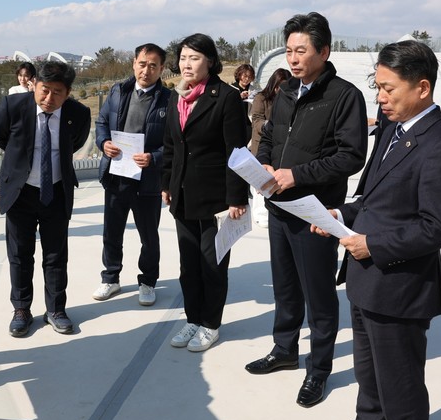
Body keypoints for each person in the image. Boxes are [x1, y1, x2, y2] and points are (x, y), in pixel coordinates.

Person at [314, 40, 441, 420]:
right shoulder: (392, 129)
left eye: (388, 88)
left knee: (401, 385)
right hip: (365, 279)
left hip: (400, 287)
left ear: (422, 87)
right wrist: (339, 214)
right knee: (369, 372)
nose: (380, 98)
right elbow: (372, 198)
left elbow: (440, 226)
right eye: (377, 87)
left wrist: (374, 244)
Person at [245, 12, 367, 408]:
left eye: (301, 51)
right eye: (289, 51)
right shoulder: (285, 91)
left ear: (324, 51)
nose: (293, 59)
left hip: (315, 212)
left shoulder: (345, 96)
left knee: (319, 293)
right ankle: (284, 349)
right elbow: (269, 136)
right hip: (279, 207)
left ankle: (319, 368)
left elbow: (351, 156)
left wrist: (297, 175)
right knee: (284, 286)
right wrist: (265, 164)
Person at [161, 33, 249, 352]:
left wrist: (236, 197)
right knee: (189, 265)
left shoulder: (225, 97)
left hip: (216, 198)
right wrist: (167, 184)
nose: (186, 64)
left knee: (213, 264)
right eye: (183, 57)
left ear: (210, 61)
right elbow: (170, 146)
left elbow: (235, 151)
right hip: (183, 195)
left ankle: (210, 324)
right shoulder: (176, 96)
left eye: (194, 57)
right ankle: (193, 319)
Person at [0, 61, 91, 337]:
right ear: (34, 84)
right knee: (20, 254)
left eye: (57, 92)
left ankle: (56, 309)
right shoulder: (12, 107)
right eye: (44, 90)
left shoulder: (78, 113)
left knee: (56, 255)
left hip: (56, 191)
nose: (49, 98)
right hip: (20, 192)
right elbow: (1, 136)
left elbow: (75, 143)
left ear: (67, 93)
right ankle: (21, 309)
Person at [92, 43, 171, 306]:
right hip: (117, 174)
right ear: (134, 63)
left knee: (148, 235)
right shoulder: (119, 91)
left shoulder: (168, 99)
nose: (146, 70)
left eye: (153, 66)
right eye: (142, 64)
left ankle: (147, 282)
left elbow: (174, 143)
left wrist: (154, 157)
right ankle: (110, 277)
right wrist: (103, 143)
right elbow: (102, 122)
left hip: (148, 180)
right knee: (111, 232)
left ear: (161, 68)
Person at [249, 68, 292, 228]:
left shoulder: (290, 99)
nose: (281, 90)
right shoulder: (261, 98)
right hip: (261, 145)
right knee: (259, 181)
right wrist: (274, 126)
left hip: (279, 148)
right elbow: (256, 120)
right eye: (278, 86)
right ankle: (259, 214)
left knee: (274, 180)